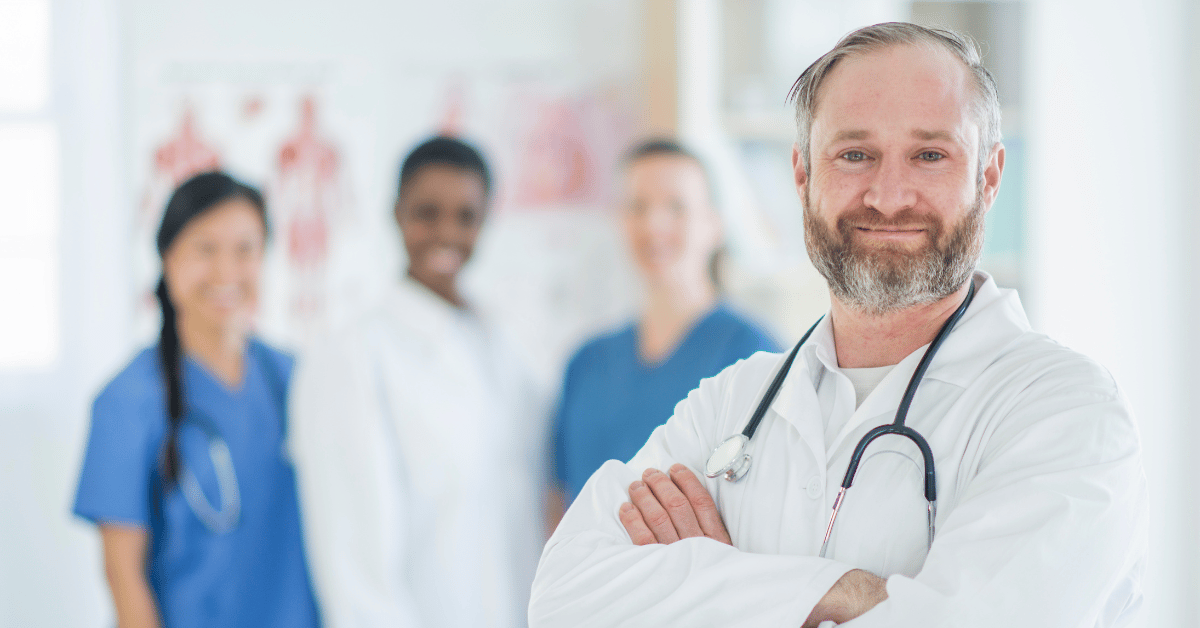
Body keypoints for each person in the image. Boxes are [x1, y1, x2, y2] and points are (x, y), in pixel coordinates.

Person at [529, 23, 1147, 627]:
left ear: (988, 178)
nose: (888, 194)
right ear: (802, 177)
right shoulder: (734, 404)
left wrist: (714, 585)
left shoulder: (1064, 413)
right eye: (855, 154)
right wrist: (843, 593)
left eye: (930, 155)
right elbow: (562, 598)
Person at [289, 136, 546, 628]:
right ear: (396, 214)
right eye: (427, 212)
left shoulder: (507, 353)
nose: (446, 232)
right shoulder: (351, 357)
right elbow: (355, 568)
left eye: (466, 216)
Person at [73, 172, 320, 628]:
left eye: (245, 249)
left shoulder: (295, 380)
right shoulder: (127, 401)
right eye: (205, 249)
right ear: (168, 259)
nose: (226, 272)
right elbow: (123, 576)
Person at [550, 139, 778, 515]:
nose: (654, 225)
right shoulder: (586, 363)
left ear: (714, 225)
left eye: (676, 207)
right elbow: (559, 500)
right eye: (637, 207)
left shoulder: (754, 355)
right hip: (589, 572)